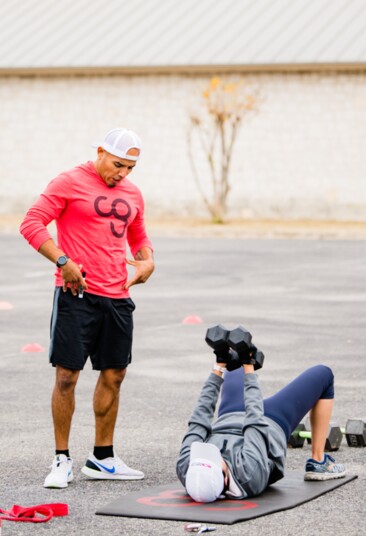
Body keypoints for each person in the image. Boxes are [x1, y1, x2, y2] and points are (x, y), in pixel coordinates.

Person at [20, 128, 154, 489]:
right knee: (67, 376)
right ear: (99, 152)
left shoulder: (132, 193)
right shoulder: (69, 182)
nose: (123, 173)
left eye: (130, 167)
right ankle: (61, 459)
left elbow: (138, 236)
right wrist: (63, 260)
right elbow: (31, 223)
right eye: (117, 164)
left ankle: (103, 458)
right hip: (76, 293)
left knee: (114, 375)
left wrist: (147, 262)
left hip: (117, 296)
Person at [176, 326, 346, 503]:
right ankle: (319, 462)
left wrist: (218, 366)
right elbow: (255, 420)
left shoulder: (186, 468)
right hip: (271, 421)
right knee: (323, 373)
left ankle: (233, 358)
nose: (210, 454)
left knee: (233, 366)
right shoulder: (249, 474)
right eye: (213, 458)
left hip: (229, 415)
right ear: (225, 479)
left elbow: (199, 418)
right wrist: (249, 367)